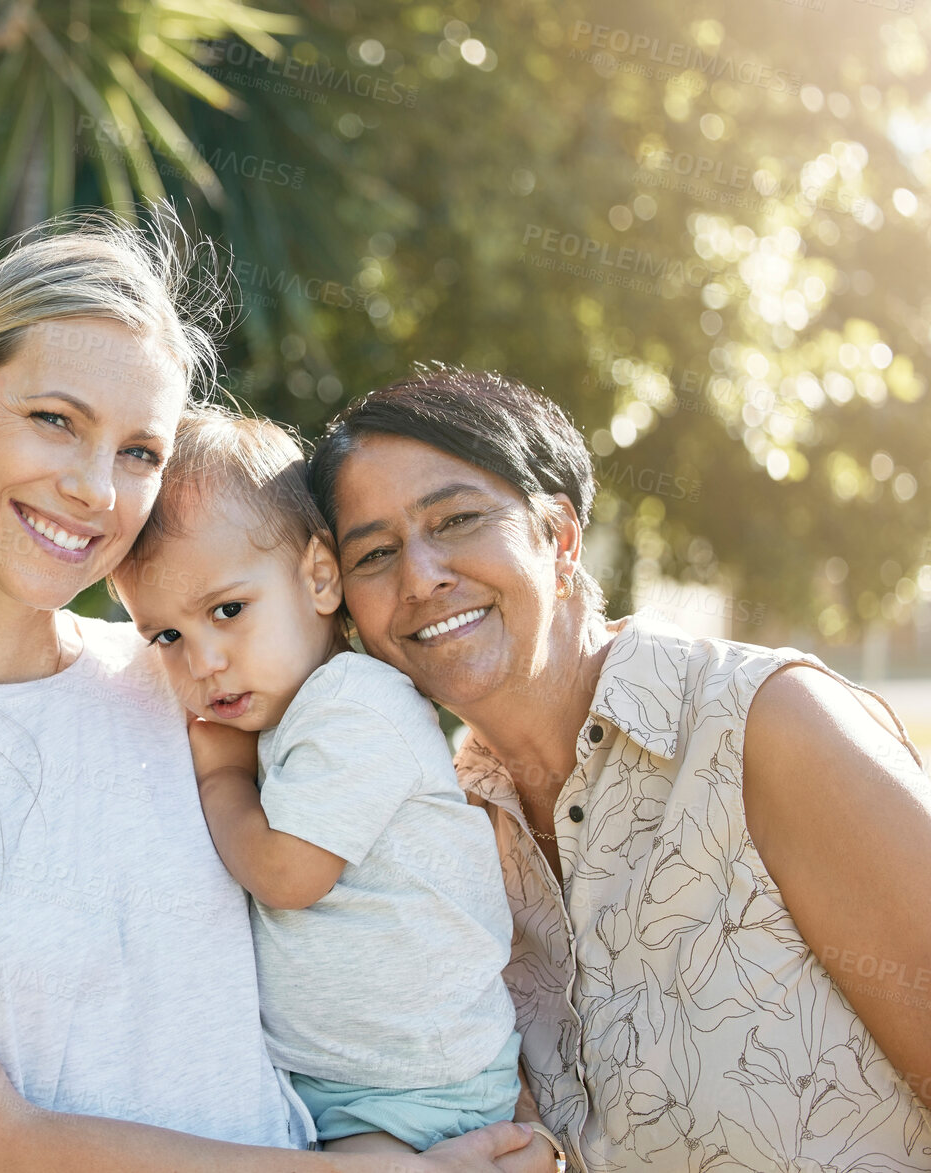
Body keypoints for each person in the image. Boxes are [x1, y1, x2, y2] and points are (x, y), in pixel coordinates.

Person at [0, 216, 547, 1173]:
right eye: (55, 420)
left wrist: (483, 1109)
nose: (95, 489)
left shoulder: (190, 684)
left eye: (140, 452)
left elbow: (397, 917)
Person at [308, 364, 931, 1172]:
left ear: (560, 537)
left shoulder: (765, 724)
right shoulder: (440, 827)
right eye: (376, 553)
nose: (420, 576)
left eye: (457, 519)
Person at [110, 405, 526, 1158]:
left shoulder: (355, 705)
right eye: (166, 635)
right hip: (345, 1085)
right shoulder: (283, 711)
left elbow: (286, 872)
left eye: (228, 610)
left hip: (419, 1087)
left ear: (320, 576)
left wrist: (221, 780)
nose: (202, 661)